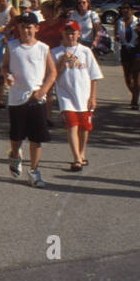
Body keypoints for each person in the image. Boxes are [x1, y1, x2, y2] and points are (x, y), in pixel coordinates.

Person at [0, 12, 57, 188]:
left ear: (36, 28)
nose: (26, 30)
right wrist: (7, 75)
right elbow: (4, 66)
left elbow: (52, 72)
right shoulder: (12, 46)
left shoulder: (43, 48)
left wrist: (43, 90)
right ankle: (15, 155)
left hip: (36, 99)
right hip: (17, 99)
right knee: (16, 137)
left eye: (29, 27)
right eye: (22, 26)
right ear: (18, 28)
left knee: (36, 138)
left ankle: (34, 171)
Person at [53, 20, 102, 170]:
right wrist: (62, 62)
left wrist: (93, 97)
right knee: (72, 125)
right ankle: (76, 159)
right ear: (62, 34)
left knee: (84, 127)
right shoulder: (55, 52)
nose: (70, 36)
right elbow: (52, 75)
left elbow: (94, 76)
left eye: (73, 32)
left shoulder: (85, 51)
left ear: (78, 34)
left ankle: (81, 154)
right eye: (67, 32)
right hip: (66, 96)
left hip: (84, 95)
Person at [115, 3, 140, 110]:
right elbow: (116, 36)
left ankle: (135, 101)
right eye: (123, 8)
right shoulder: (119, 22)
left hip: (137, 50)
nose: (125, 10)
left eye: (127, 8)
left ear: (132, 10)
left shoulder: (138, 21)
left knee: (136, 74)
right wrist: (117, 37)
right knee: (127, 77)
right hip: (125, 50)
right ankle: (135, 94)